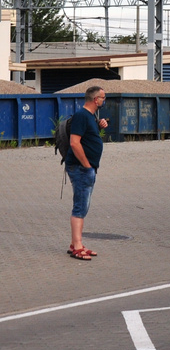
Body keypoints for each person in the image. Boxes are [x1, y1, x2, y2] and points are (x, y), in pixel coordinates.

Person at [66, 86, 107, 260]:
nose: (104, 101)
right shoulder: (82, 116)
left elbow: (89, 138)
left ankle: (77, 243)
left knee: (83, 205)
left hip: (86, 167)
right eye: (103, 98)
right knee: (80, 207)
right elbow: (74, 143)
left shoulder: (91, 117)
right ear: (95, 99)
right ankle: (77, 247)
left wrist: (99, 126)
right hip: (81, 168)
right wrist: (87, 165)